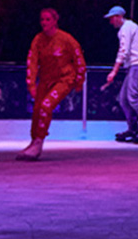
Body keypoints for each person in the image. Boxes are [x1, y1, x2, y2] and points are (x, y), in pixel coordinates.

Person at [19, 8, 87, 161]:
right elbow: (32, 62)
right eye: (42, 19)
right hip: (45, 79)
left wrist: (80, 79)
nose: (44, 22)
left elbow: (79, 58)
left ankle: (38, 142)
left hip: (64, 78)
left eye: (48, 19)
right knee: (37, 109)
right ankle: (33, 141)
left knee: (46, 106)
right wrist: (31, 83)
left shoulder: (66, 39)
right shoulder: (38, 39)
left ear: (55, 21)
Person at [104, 6, 138, 144]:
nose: (111, 22)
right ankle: (133, 129)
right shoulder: (134, 27)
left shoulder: (125, 29)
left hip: (137, 64)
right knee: (123, 99)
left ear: (118, 17)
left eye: (111, 19)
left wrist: (114, 71)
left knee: (132, 97)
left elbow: (123, 51)